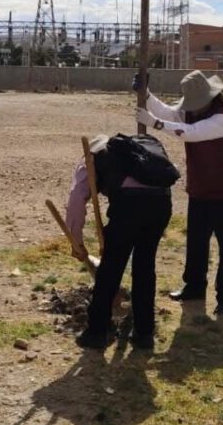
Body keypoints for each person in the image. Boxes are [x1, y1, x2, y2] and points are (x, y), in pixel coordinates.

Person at [134, 70, 223, 315]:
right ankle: (194, 286)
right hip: (200, 189)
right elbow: (169, 112)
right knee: (196, 242)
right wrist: (146, 93)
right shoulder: (194, 112)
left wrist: (155, 124)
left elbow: (191, 133)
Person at [65, 136, 173, 351]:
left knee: (110, 269)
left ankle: (96, 332)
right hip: (161, 205)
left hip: (129, 206)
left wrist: (76, 242)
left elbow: (77, 200)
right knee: (144, 267)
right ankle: (144, 334)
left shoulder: (89, 161)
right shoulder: (139, 150)